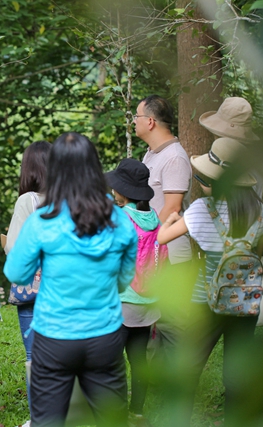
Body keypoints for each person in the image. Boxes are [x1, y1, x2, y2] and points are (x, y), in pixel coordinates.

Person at [4, 132, 138, 427]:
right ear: (94, 168)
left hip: (54, 337)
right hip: (105, 335)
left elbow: (16, 273)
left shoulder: (42, 221)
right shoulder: (120, 221)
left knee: (47, 421)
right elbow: (124, 279)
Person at [157, 137, 263, 425]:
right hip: (245, 301)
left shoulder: (202, 209)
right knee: (237, 374)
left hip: (206, 301)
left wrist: (171, 220)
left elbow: (162, 238)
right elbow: (257, 251)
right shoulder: (258, 209)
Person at [105, 158, 165, 427]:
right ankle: (137, 412)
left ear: (123, 191)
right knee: (139, 360)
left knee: (112, 361)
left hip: (122, 301)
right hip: (149, 302)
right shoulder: (154, 217)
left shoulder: (119, 218)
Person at [134, 94, 193, 358]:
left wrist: (144, 239)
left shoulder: (174, 157)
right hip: (154, 252)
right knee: (154, 325)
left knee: (172, 325)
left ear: (150, 121)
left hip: (171, 255)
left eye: (136, 116)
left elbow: (172, 208)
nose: (133, 121)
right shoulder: (152, 154)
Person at [4, 141, 52, 427]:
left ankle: (39, 419)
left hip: (34, 291)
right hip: (66, 288)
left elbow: (13, 248)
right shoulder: (70, 199)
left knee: (35, 355)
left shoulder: (28, 201)